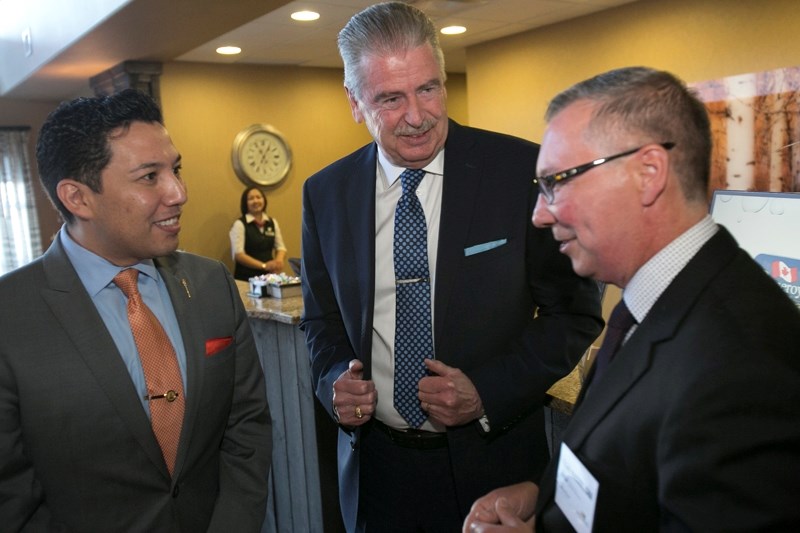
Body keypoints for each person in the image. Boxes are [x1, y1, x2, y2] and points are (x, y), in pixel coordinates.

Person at [300, 2, 603, 531]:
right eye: (390, 99)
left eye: (429, 89)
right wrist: (332, 380)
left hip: (496, 468)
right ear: (353, 101)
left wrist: (486, 390)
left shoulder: (520, 174)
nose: (417, 116)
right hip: (375, 471)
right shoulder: (325, 193)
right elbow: (321, 321)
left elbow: (573, 317)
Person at [464, 67, 800, 532]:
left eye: (557, 181)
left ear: (648, 173)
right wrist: (545, 502)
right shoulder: (658, 294)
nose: (540, 214)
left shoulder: (740, 362)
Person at [0, 89, 273, 531]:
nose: (179, 192)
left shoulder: (210, 284)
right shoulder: (10, 316)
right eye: (150, 177)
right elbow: (10, 495)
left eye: (176, 169)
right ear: (78, 198)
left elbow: (246, 428)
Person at [229, 186, 287, 280]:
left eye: (258, 197)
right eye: (251, 198)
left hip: (269, 278)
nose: (255, 201)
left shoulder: (272, 222)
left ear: (264, 200)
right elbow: (238, 254)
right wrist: (264, 266)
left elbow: (281, 247)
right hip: (246, 278)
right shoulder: (239, 224)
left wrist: (278, 262)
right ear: (245, 203)